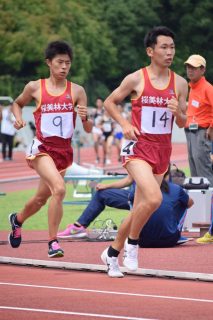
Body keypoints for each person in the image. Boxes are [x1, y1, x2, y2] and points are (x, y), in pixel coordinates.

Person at [101, 26, 188, 277]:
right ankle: (133, 244)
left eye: (172, 47)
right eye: (164, 47)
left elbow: (183, 122)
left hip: (162, 150)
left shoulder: (180, 83)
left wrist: (178, 113)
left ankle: (111, 253)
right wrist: (125, 124)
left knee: (141, 207)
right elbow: (109, 102)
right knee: (154, 199)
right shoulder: (136, 78)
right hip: (138, 147)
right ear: (150, 51)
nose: (169, 52)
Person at [8, 40, 93, 258]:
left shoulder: (78, 91)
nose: (64, 67)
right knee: (60, 188)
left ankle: (17, 220)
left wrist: (85, 118)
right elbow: (17, 103)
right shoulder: (35, 87)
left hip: (63, 152)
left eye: (68, 63)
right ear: (49, 63)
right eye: (59, 62)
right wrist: (18, 119)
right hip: (42, 148)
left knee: (40, 199)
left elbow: (88, 128)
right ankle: (53, 242)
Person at [57, 171, 194, 248]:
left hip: (140, 205)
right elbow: (128, 179)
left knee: (137, 205)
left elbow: (130, 182)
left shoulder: (155, 150)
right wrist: (108, 186)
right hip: (139, 195)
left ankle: (137, 232)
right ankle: (79, 226)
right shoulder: (176, 189)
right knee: (181, 201)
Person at [184, 54, 213, 186]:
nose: (190, 70)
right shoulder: (192, 88)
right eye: (188, 67)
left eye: (194, 68)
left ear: (202, 70)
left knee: (204, 172)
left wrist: (211, 127)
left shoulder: (207, 88)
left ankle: (210, 205)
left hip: (201, 132)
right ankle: (199, 205)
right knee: (195, 172)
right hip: (190, 132)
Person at [91, 97, 104, 163]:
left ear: (102, 103)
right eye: (97, 102)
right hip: (95, 128)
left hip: (102, 129)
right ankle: (97, 156)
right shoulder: (94, 111)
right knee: (95, 142)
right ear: (96, 103)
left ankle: (105, 156)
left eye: (100, 102)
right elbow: (91, 120)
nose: (99, 103)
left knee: (103, 143)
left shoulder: (104, 111)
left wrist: (102, 126)